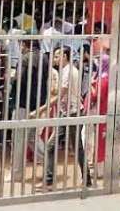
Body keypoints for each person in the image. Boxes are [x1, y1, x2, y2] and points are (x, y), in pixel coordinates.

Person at [42, 47, 91, 188]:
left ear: (65, 56)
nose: (55, 59)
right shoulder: (66, 71)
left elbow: (61, 94)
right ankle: (50, 179)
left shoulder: (68, 72)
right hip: (67, 113)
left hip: (72, 113)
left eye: (57, 56)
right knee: (54, 146)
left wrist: (42, 109)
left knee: (74, 147)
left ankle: (85, 178)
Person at [8, 40, 52, 182]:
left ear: (25, 45)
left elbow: (19, 80)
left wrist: (11, 78)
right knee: (32, 136)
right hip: (37, 103)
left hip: (22, 102)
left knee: (19, 138)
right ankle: (49, 162)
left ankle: (16, 173)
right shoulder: (44, 58)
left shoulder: (25, 59)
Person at [84, 54, 109, 176]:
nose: (97, 64)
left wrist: (91, 85)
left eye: (100, 62)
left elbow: (96, 96)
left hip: (100, 112)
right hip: (100, 112)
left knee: (99, 141)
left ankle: (99, 171)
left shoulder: (104, 79)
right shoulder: (102, 77)